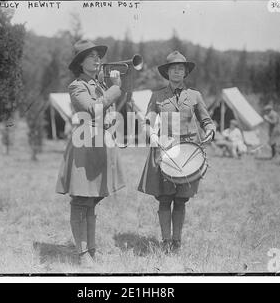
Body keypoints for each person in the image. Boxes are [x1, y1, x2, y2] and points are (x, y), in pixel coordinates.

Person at [56, 40, 126, 265]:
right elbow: (93, 109)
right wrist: (116, 88)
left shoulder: (100, 85)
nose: (97, 60)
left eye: (98, 56)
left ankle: (92, 249)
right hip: (85, 145)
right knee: (81, 200)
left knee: (93, 199)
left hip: (100, 144)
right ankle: (83, 254)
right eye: (91, 56)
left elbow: (107, 112)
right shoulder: (77, 86)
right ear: (80, 62)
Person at [138, 50, 215, 253]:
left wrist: (210, 129)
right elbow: (148, 120)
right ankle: (165, 241)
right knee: (165, 199)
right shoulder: (157, 96)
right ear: (167, 73)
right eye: (173, 69)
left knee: (181, 199)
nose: (177, 72)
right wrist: (151, 134)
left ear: (185, 72)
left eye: (180, 68)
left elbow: (206, 119)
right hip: (164, 150)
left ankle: (176, 242)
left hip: (189, 153)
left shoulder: (195, 96)